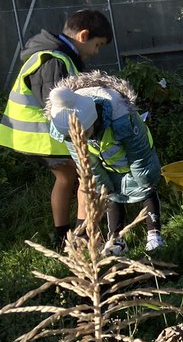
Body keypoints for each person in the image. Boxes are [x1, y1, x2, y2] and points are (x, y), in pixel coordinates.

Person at [0, 9, 112, 247]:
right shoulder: (54, 60)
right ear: (83, 36)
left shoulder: (56, 55)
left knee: (66, 177)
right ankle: (83, 236)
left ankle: (61, 235)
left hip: (36, 136)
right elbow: (56, 105)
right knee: (86, 176)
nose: (96, 52)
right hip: (41, 136)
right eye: (98, 45)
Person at [46, 73, 164, 254]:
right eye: (78, 136)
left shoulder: (121, 117)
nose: (83, 138)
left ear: (93, 119)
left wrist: (144, 175)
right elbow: (86, 161)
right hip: (108, 163)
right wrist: (102, 186)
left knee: (146, 190)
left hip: (134, 159)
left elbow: (138, 150)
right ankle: (116, 239)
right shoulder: (68, 128)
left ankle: (154, 234)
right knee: (111, 197)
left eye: (86, 133)